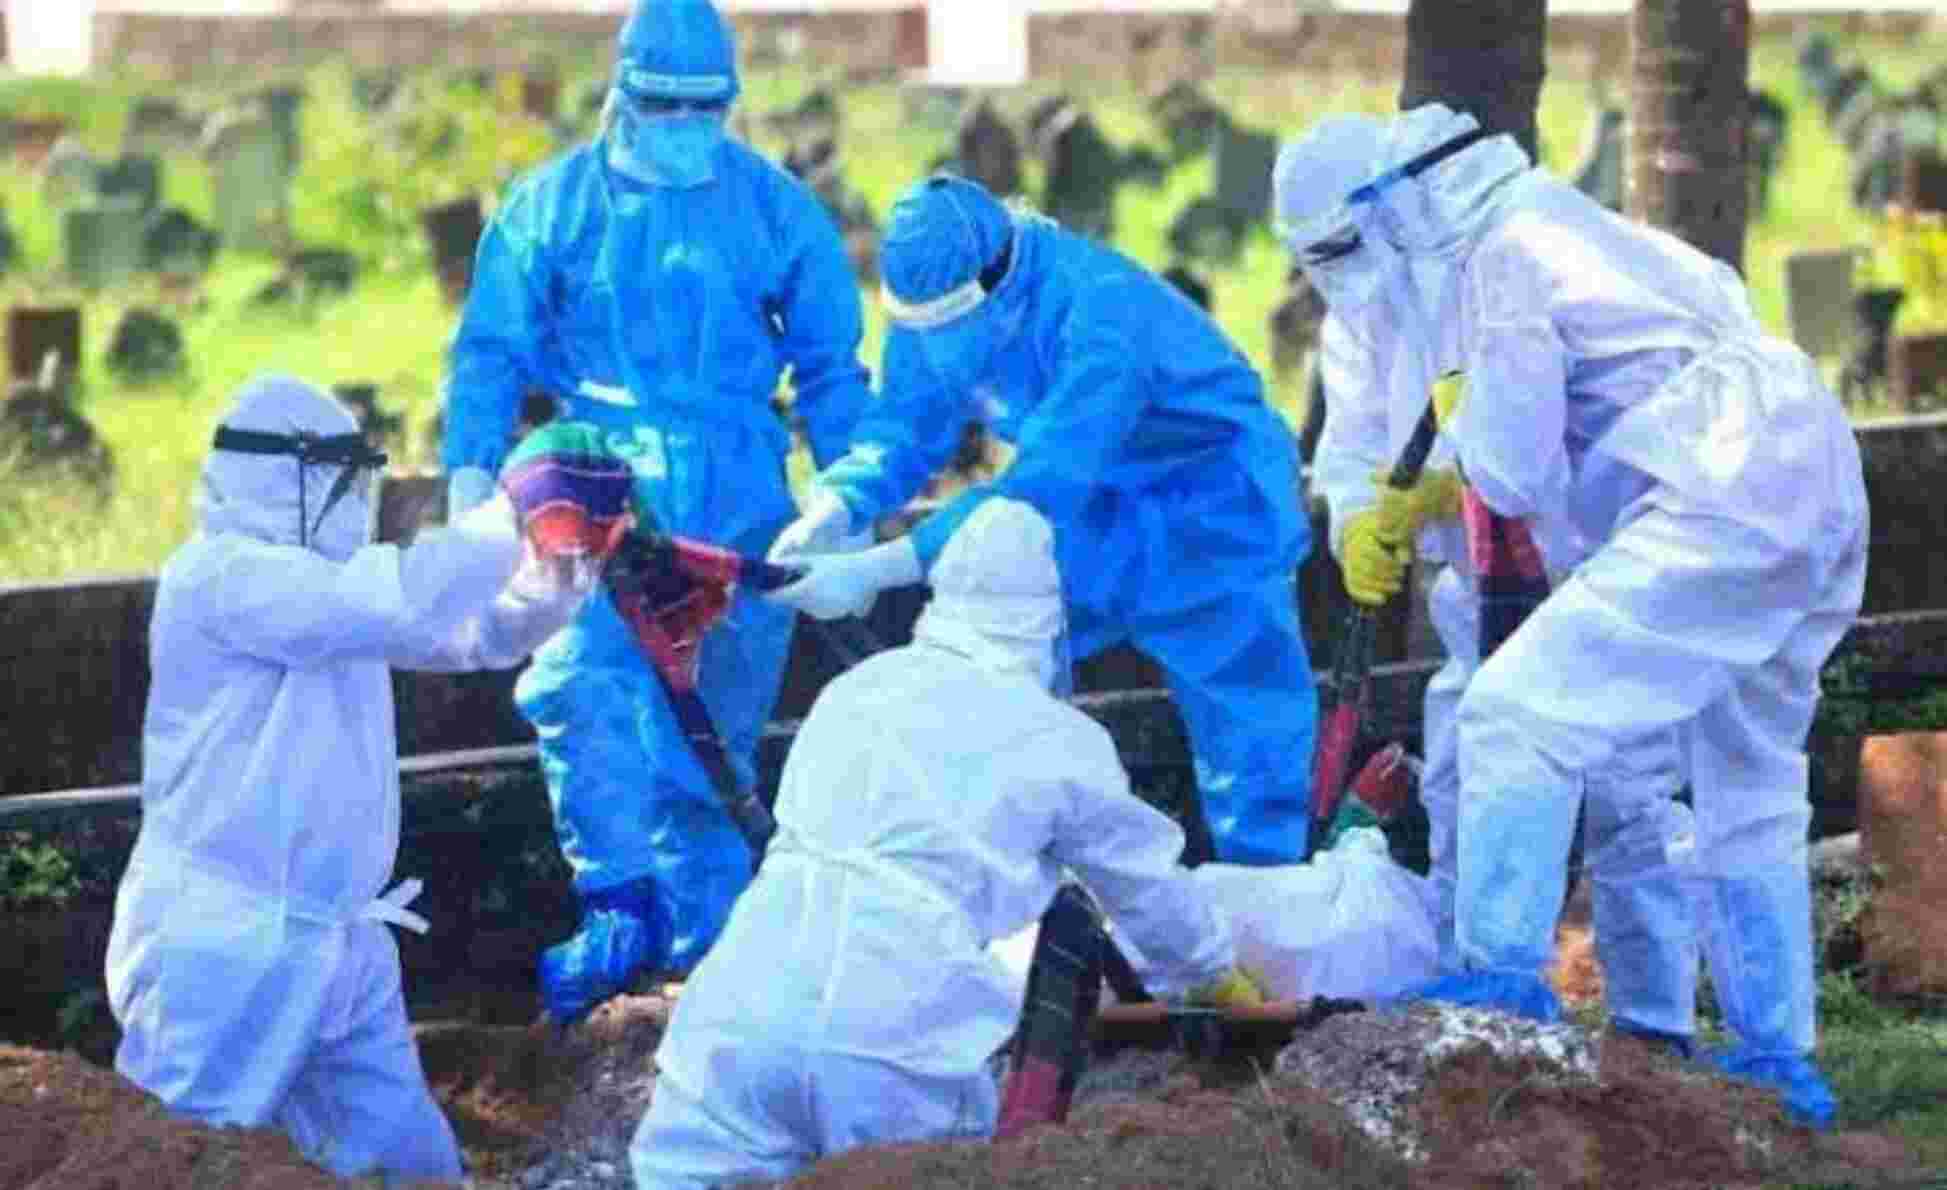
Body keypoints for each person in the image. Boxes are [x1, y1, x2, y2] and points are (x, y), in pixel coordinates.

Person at [1274, 103, 1868, 1127]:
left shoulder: (1501, 260)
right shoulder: (1559, 227)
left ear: (1400, 209)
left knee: (1520, 723)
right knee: (1747, 783)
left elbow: (1513, 470)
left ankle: (1502, 1004)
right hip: (1788, 481)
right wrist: (1361, 518)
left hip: (1690, 501)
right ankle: (1776, 1061)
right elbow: (1361, 447)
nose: (1344, 271)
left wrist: (1443, 475)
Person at [439, 0, 875, 1025]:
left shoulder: (775, 209)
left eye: (703, 107)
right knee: (575, 686)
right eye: (663, 105)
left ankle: (703, 966)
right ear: (623, 94)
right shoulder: (555, 205)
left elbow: (830, 366)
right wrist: (469, 471)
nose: (683, 125)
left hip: (739, 496)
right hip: (593, 493)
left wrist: (847, 496)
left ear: (729, 102)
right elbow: (490, 350)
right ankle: (616, 905)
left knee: (712, 734)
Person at [631, 498, 1259, 1188]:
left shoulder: (853, 691)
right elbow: (1145, 887)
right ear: (1047, 622)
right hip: (898, 1023)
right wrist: (1211, 971)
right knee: (921, 1174)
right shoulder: (1059, 738)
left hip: (749, 997)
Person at [105, 378, 635, 1182]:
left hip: (338, 938)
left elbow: (476, 633)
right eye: (340, 478)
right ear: (285, 478)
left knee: (409, 1164)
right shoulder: (219, 578)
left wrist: (562, 565)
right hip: (225, 945)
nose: (356, 500)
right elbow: (391, 600)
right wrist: (511, 510)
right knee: (173, 1163)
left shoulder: (334, 595)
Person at [767, 173, 1317, 866]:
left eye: (950, 325)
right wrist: (836, 504)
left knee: (1248, 722)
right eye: (920, 326)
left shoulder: (1100, 310)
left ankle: (1265, 889)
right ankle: (1026, 875)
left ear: (997, 287)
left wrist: (878, 569)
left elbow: (1042, 484)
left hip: (1212, 507)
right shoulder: (930, 310)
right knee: (1004, 650)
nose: (939, 345)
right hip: (1095, 506)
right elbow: (905, 425)